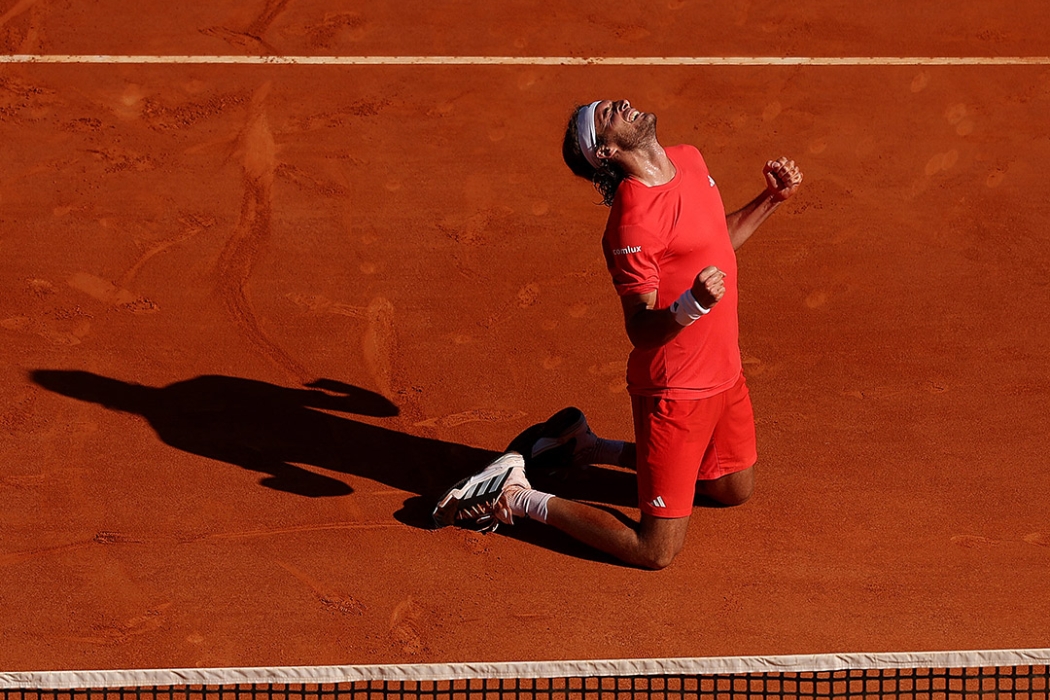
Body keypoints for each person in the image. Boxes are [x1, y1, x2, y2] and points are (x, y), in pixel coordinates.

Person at [433, 99, 802, 569]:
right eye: (608, 114)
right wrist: (693, 305)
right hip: (676, 389)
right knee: (655, 549)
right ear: (604, 151)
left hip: (725, 371)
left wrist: (770, 199)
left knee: (731, 487)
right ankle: (517, 495)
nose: (623, 104)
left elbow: (714, 238)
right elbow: (641, 330)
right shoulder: (632, 220)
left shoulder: (688, 157)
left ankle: (585, 447)